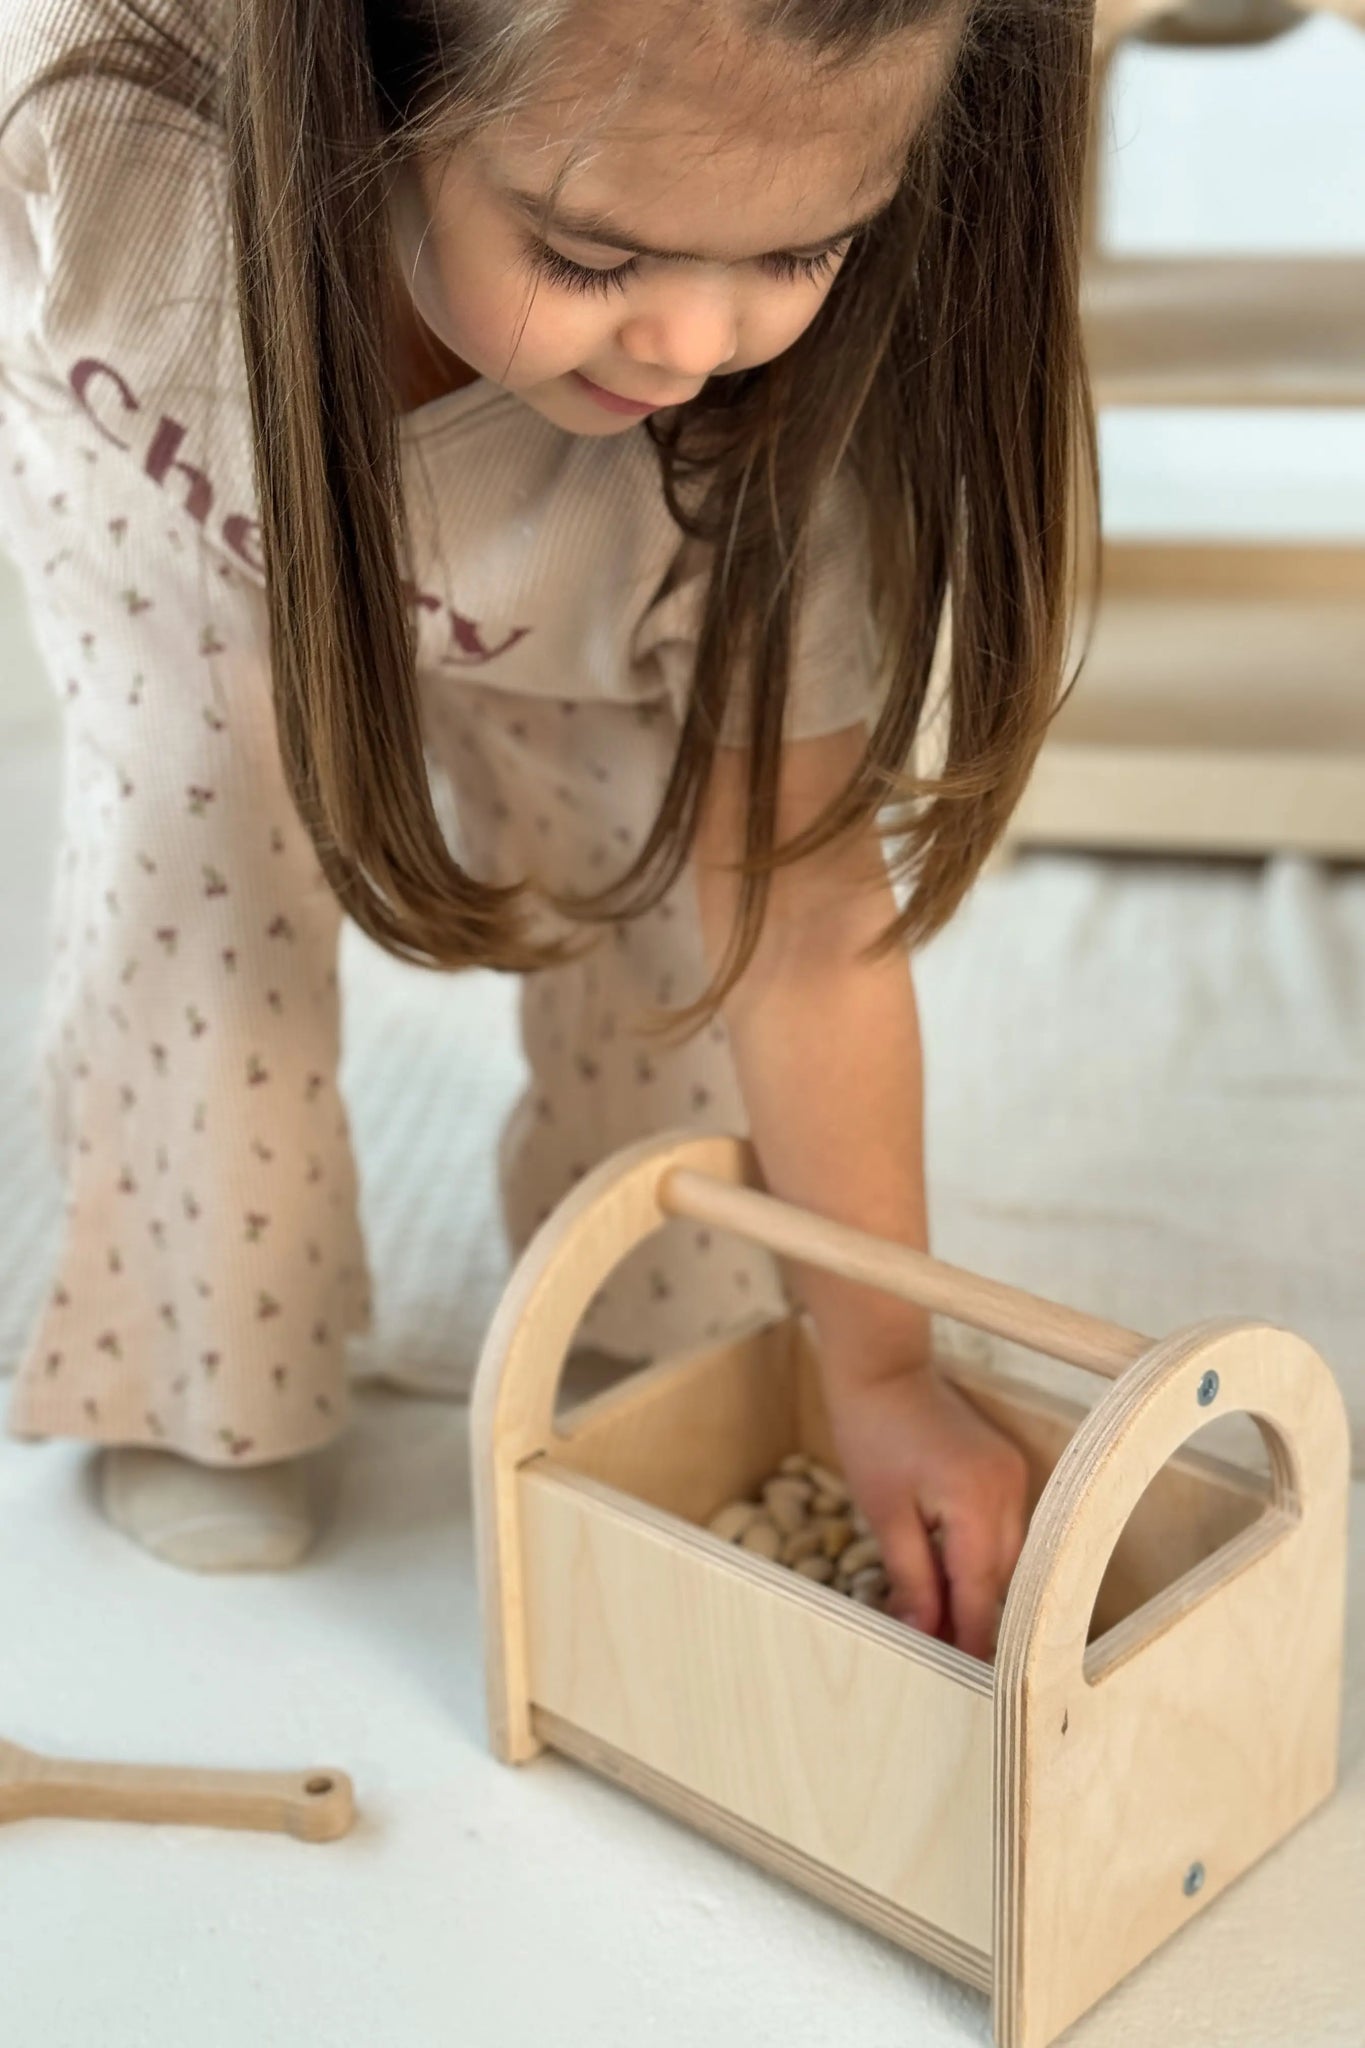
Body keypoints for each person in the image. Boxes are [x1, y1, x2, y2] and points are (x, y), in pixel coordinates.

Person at [0, 0, 1096, 1657]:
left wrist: (880, 1365)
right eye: (592, 259)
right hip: (179, 488)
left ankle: (643, 1328)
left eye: (800, 254)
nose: (690, 342)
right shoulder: (100, 87)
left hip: (587, 580)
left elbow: (798, 933)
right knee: (191, 872)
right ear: (377, 77)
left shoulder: (763, 444)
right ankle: (198, 1374)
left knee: (666, 910)